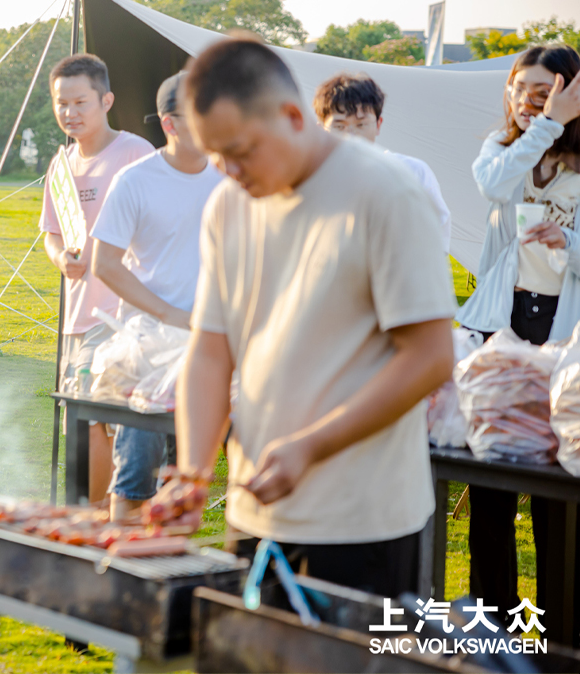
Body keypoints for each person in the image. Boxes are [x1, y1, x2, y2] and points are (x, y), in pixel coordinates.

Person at [165, 37, 456, 597]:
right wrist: (195, 469)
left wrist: (310, 446)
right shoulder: (228, 205)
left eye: (241, 149)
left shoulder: (386, 193)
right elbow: (209, 348)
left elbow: (429, 356)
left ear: (294, 117)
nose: (228, 170)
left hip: (362, 520)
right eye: (214, 154)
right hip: (256, 508)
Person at [455, 44, 580, 646]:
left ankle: (560, 627)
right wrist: (545, 125)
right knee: (492, 480)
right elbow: (493, 188)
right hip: (502, 333)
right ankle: (494, 619)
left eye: (546, 90)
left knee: (560, 486)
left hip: (565, 337)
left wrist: (569, 244)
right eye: (522, 88)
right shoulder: (501, 151)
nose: (530, 100)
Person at [91, 71, 223, 521]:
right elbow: (104, 263)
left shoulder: (229, 181)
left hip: (209, 345)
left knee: (186, 479)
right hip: (148, 344)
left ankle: (170, 577)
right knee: (136, 471)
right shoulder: (135, 180)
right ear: (170, 124)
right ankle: (121, 570)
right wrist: (169, 313)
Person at [40, 53, 156, 506]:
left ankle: (103, 514)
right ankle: (95, 514)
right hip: (76, 314)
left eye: (79, 102)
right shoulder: (60, 165)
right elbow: (51, 233)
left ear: (106, 100)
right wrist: (61, 260)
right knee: (80, 420)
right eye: (61, 104)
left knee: (100, 417)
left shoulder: (134, 153)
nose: (69, 113)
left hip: (122, 313)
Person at [313, 73, 452, 252]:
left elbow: (436, 239)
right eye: (339, 126)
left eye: (361, 125)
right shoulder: (307, 180)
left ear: (378, 124)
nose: (351, 135)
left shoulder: (412, 173)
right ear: (322, 129)